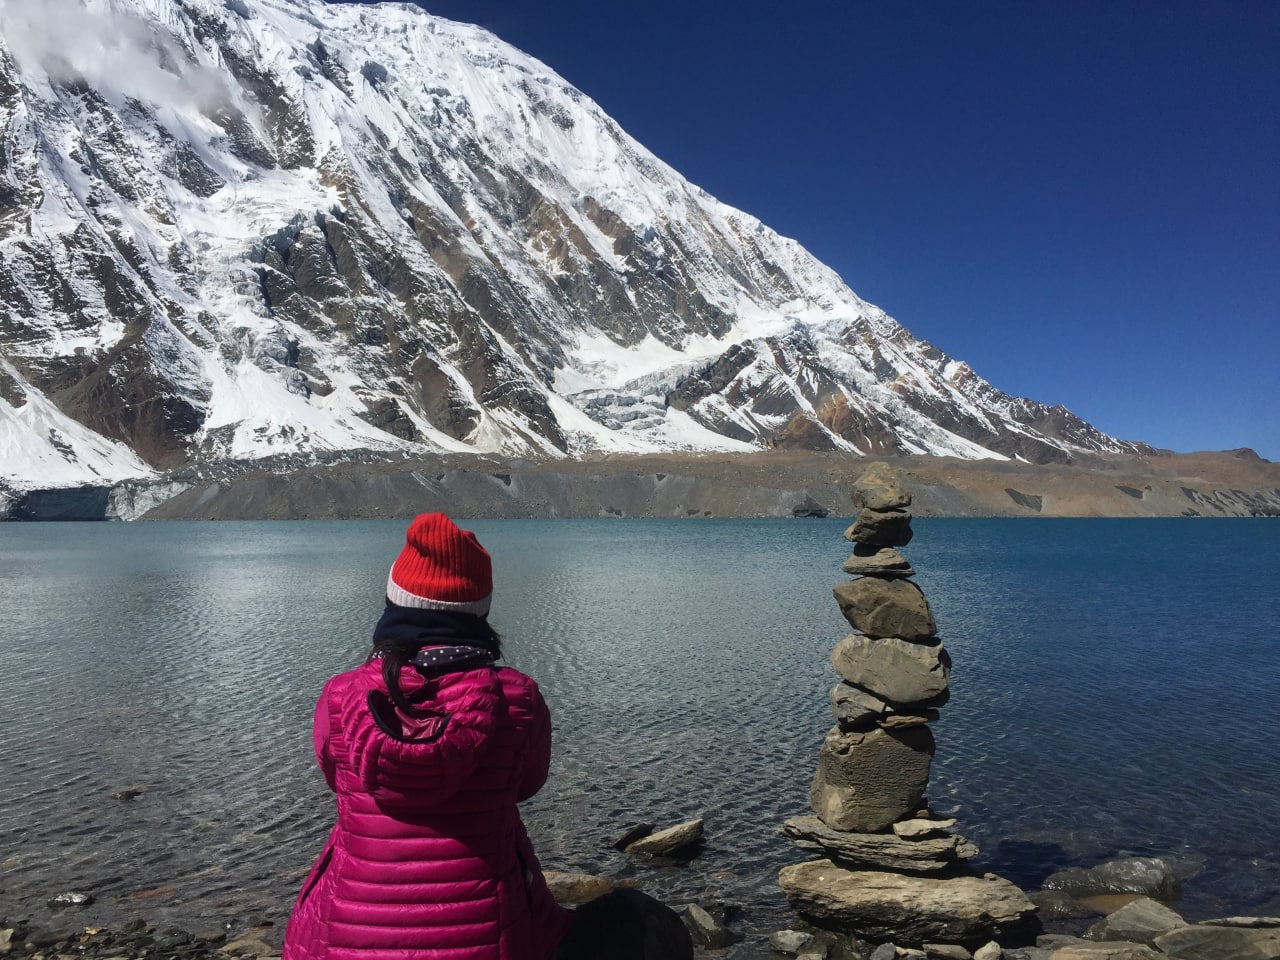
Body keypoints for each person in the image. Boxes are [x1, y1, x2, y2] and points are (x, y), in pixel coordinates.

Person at [283, 513, 574, 960]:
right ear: (480, 611)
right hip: (490, 936)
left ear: (394, 602)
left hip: (350, 936)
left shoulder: (340, 696)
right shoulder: (519, 697)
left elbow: (334, 776)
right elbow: (527, 785)